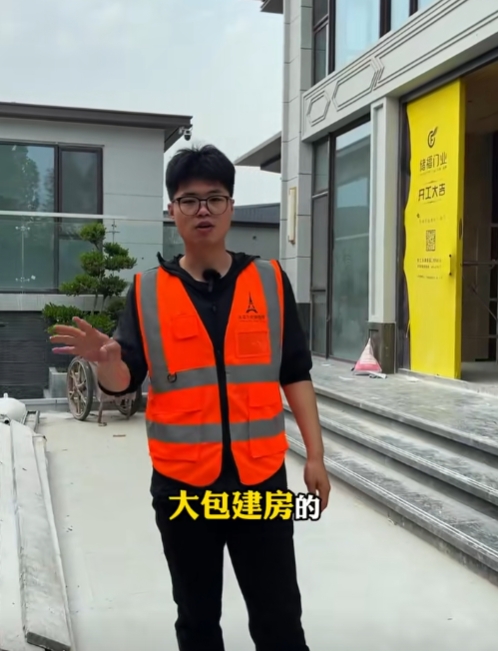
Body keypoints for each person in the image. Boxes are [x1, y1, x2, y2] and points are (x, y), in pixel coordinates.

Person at [50, 144, 331, 651]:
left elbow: (295, 372)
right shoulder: (147, 292)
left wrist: (315, 455)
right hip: (183, 488)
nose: (203, 210)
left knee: (280, 620)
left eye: (215, 198)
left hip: (259, 482)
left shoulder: (269, 282)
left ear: (231, 206)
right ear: (172, 210)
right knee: (198, 620)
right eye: (189, 200)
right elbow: (124, 382)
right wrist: (106, 362)